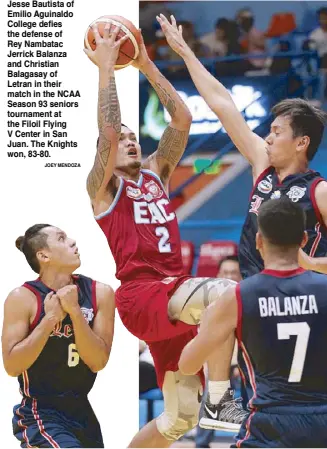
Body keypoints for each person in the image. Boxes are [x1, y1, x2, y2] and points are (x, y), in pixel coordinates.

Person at [157, 13, 327, 429]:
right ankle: (218, 400)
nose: (267, 137)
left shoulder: (320, 190)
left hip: (300, 301)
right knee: (221, 297)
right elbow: (222, 102)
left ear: (301, 142)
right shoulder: (259, 166)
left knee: (288, 400)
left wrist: (312, 266)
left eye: (276, 131)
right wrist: (185, 53)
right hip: (253, 297)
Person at [84, 23, 243, 448]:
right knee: (227, 293)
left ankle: (201, 406)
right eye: (125, 141)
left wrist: (146, 63)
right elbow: (110, 131)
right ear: (107, 152)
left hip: (175, 296)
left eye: (136, 138)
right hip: (143, 295)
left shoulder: (156, 173)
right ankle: (221, 399)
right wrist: (106, 69)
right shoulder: (104, 188)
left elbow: (182, 118)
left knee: (177, 419)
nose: (131, 142)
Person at [180, 197, 327, 448]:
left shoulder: (236, 297)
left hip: (268, 425)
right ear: (304, 240)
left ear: (258, 241)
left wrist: (208, 323)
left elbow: (187, 364)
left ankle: (220, 407)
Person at [2, 224, 115, 448]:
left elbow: (98, 361)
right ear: (44, 255)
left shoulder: (100, 293)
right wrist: (50, 320)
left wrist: (75, 312)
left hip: (82, 412)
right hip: (40, 412)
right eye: (62, 239)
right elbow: (12, 366)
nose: (72, 241)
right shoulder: (22, 297)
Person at [195, 256, 242, 448]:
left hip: (244, 363)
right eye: (226, 273)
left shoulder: (248, 299)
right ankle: (201, 444)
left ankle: (245, 440)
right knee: (213, 387)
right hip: (217, 364)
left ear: (241, 276)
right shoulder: (208, 305)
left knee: (251, 388)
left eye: (234, 273)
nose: (230, 276)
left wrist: (239, 365)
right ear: (218, 276)